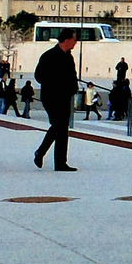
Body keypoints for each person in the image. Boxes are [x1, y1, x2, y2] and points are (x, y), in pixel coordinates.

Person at [33, 32, 80, 171]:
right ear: (66, 40)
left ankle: (60, 162)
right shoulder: (49, 56)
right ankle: (41, 152)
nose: (76, 42)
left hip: (65, 97)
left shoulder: (68, 57)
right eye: (74, 39)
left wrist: (73, 88)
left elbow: (72, 75)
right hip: (51, 97)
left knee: (62, 128)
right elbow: (39, 76)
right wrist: (56, 82)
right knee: (58, 125)